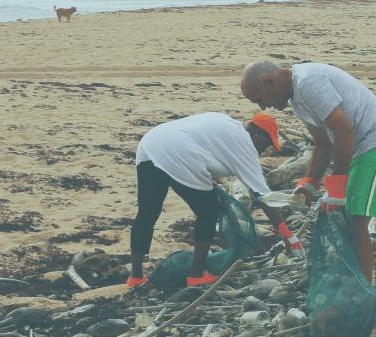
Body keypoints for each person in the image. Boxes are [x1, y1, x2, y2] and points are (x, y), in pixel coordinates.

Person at [240, 61, 376, 283]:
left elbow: (343, 130)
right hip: (360, 152)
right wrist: (309, 183)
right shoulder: (298, 98)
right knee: (344, 217)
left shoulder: (309, 82)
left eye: (260, 99)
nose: (263, 107)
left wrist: (336, 188)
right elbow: (323, 144)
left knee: (358, 218)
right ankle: (352, 278)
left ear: (271, 83)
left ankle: (364, 290)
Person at [129, 112, 302, 289]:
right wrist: (286, 233)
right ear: (257, 134)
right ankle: (196, 275)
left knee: (147, 212)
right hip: (182, 151)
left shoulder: (225, 121)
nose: (265, 150)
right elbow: (263, 195)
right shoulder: (245, 144)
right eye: (266, 143)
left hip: (151, 143)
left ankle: (135, 276)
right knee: (208, 212)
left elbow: (207, 149)